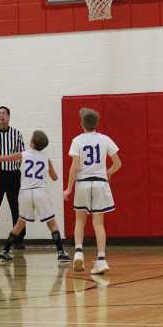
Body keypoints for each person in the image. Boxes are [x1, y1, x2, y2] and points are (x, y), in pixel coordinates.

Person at [0, 130, 72, 264]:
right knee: (52, 223)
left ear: (31, 142)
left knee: (20, 223)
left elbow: (4, 158)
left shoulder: (23, 154)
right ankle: (61, 252)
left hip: (25, 193)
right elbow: (55, 177)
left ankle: (5, 251)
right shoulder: (46, 158)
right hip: (40, 192)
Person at [62, 108, 121, 274]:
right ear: (97, 123)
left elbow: (74, 167)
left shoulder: (77, 140)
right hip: (100, 184)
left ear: (82, 124)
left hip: (82, 183)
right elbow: (118, 164)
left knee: (80, 221)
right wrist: (108, 172)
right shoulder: (105, 139)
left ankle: (78, 252)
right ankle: (101, 259)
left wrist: (68, 189)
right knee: (98, 223)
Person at [0, 106, 25, 251]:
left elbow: (21, 154)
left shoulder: (17, 133)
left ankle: (18, 240)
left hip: (13, 174)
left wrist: (15, 166)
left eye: (4, 113)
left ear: (8, 116)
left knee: (17, 208)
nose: (1, 116)